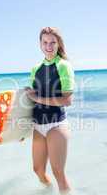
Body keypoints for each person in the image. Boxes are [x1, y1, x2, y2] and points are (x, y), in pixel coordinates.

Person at [25, 27, 75, 194]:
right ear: (40, 44)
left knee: (58, 172)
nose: (49, 46)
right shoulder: (35, 69)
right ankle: (49, 191)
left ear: (58, 43)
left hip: (56, 125)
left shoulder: (64, 66)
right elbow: (28, 100)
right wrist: (19, 131)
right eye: (45, 42)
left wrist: (37, 98)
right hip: (38, 126)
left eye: (52, 42)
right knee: (38, 170)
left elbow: (67, 100)